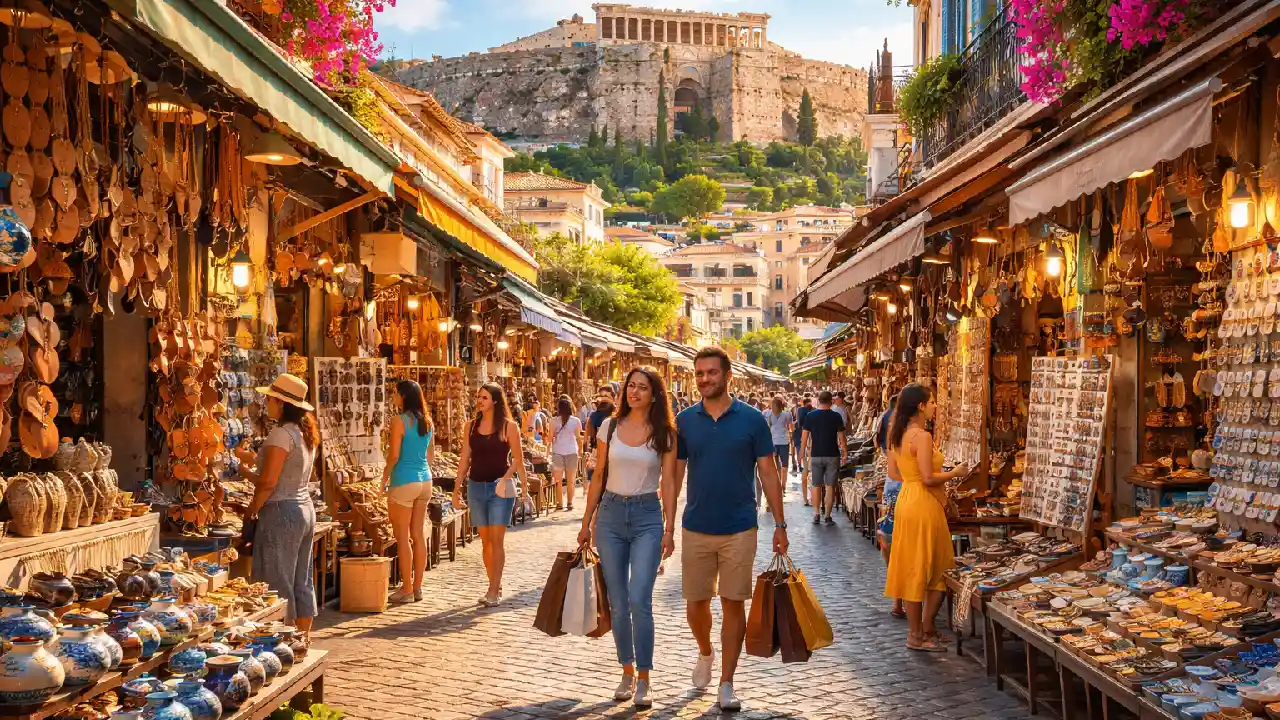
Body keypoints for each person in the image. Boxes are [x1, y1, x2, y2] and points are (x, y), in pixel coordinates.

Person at [672, 347, 787, 712]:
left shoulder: (753, 420)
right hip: (696, 524)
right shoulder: (685, 420)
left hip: (740, 525)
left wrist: (780, 524)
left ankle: (726, 682)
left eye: (711, 373)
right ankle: (705, 651)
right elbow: (675, 471)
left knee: (733, 602)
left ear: (727, 376)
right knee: (695, 604)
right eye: (700, 374)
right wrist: (666, 520)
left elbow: (768, 472)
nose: (705, 379)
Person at [578, 367, 678, 709]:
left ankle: (646, 678)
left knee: (639, 600)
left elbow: (668, 483)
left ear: (655, 394)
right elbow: (599, 474)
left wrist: (669, 528)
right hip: (609, 515)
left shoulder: (665, 432)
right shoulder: (609, 426)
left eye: (642, 387)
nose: (634, 392)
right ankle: (626, 671)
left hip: (648, 517)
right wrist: (586, 519)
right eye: (630, 386)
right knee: (619, 604)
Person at [884, 383, 970, 652]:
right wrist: (955, 473)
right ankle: (918, 634)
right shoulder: (921, 437)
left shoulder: (897, 435)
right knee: (937, 566)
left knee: (913, 565)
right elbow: (929, 478)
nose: (935, 406)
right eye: (932, 402)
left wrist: (915, 478)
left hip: (907, 498)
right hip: (923, 502)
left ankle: (923, 631)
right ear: (920, 406)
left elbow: (896, 474)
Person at [240, 373, 319, 637]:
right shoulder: (304, 433)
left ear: (282, 403)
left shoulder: (281, 434)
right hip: (304, 509)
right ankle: (302, 638)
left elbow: (269, 483)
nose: (266, 403)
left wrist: (252, 510)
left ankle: (282, 641)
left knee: (277, 581)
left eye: (270, 398)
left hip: (281, 512)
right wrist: (247, 472)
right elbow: (280, 476)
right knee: (301, 579)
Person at [455, 383, 529, 606]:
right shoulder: (470, 427)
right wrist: (456, 488)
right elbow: (465, 458)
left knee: (497, 541)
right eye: (478, 397)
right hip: (476, 487)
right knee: (485, 542)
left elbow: (518, 459)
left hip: (499, 489)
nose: (479, 400)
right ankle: (493, 582)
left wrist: (513, 480)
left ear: (495, 401)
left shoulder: (509, 427)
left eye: (484, 397)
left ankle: (493, 590)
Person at [381, 380, 435, 603]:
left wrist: (384, 477)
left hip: (404, 480)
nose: (393, 397)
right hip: (425, 481)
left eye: (394, 393)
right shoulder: (427, 422)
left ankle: (406, 588)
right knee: (417, 535)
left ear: (403, 396)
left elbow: (394, 455)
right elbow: (430, 455)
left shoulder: (399, 421)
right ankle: (418, 587)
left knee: (402, 537)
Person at [874, 394, 904, 619]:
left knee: (891, 545)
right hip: (904, 494)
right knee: (901, 546)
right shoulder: (914, 436)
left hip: (892, 493)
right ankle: (902, 601)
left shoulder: (893, 434)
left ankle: (898, 600)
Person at [801, 391, 847, 525]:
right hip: (832, 454)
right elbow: (842, 438)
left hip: (815, 455)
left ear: (818, 401)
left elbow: (804, 437)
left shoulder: (810, 416)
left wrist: (801, 453)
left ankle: (816, 514)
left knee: (816, 485)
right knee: (830, 486)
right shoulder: (836, 416)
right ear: (831, 402)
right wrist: (845, 451)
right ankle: (827, 515)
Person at [549, 396, 584, 511]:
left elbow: (550, 438)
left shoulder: (553, 421)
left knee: (558, 480)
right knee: (571, 480)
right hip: (572, 451)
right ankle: (569, 502)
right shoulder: (576, 421)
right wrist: (581, 450)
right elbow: (578, 437)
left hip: (557, 451)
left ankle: (559, 503)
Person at [761, 395, 793, 507]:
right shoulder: (769, 414)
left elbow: (790, 427)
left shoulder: (782, 414)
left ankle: (781, 486)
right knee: (779, 466)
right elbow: (790, 427)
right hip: (778, 441)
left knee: (780, 466)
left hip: (779, 441)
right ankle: (779, 485)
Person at [793, 395, 813, 503]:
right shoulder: (811, 423)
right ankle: (810, 498)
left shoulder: (799, 422)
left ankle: (805, 499)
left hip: (805, 450)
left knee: (805, 473)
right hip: (810, 450)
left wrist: (801, 452)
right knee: (811, 475)